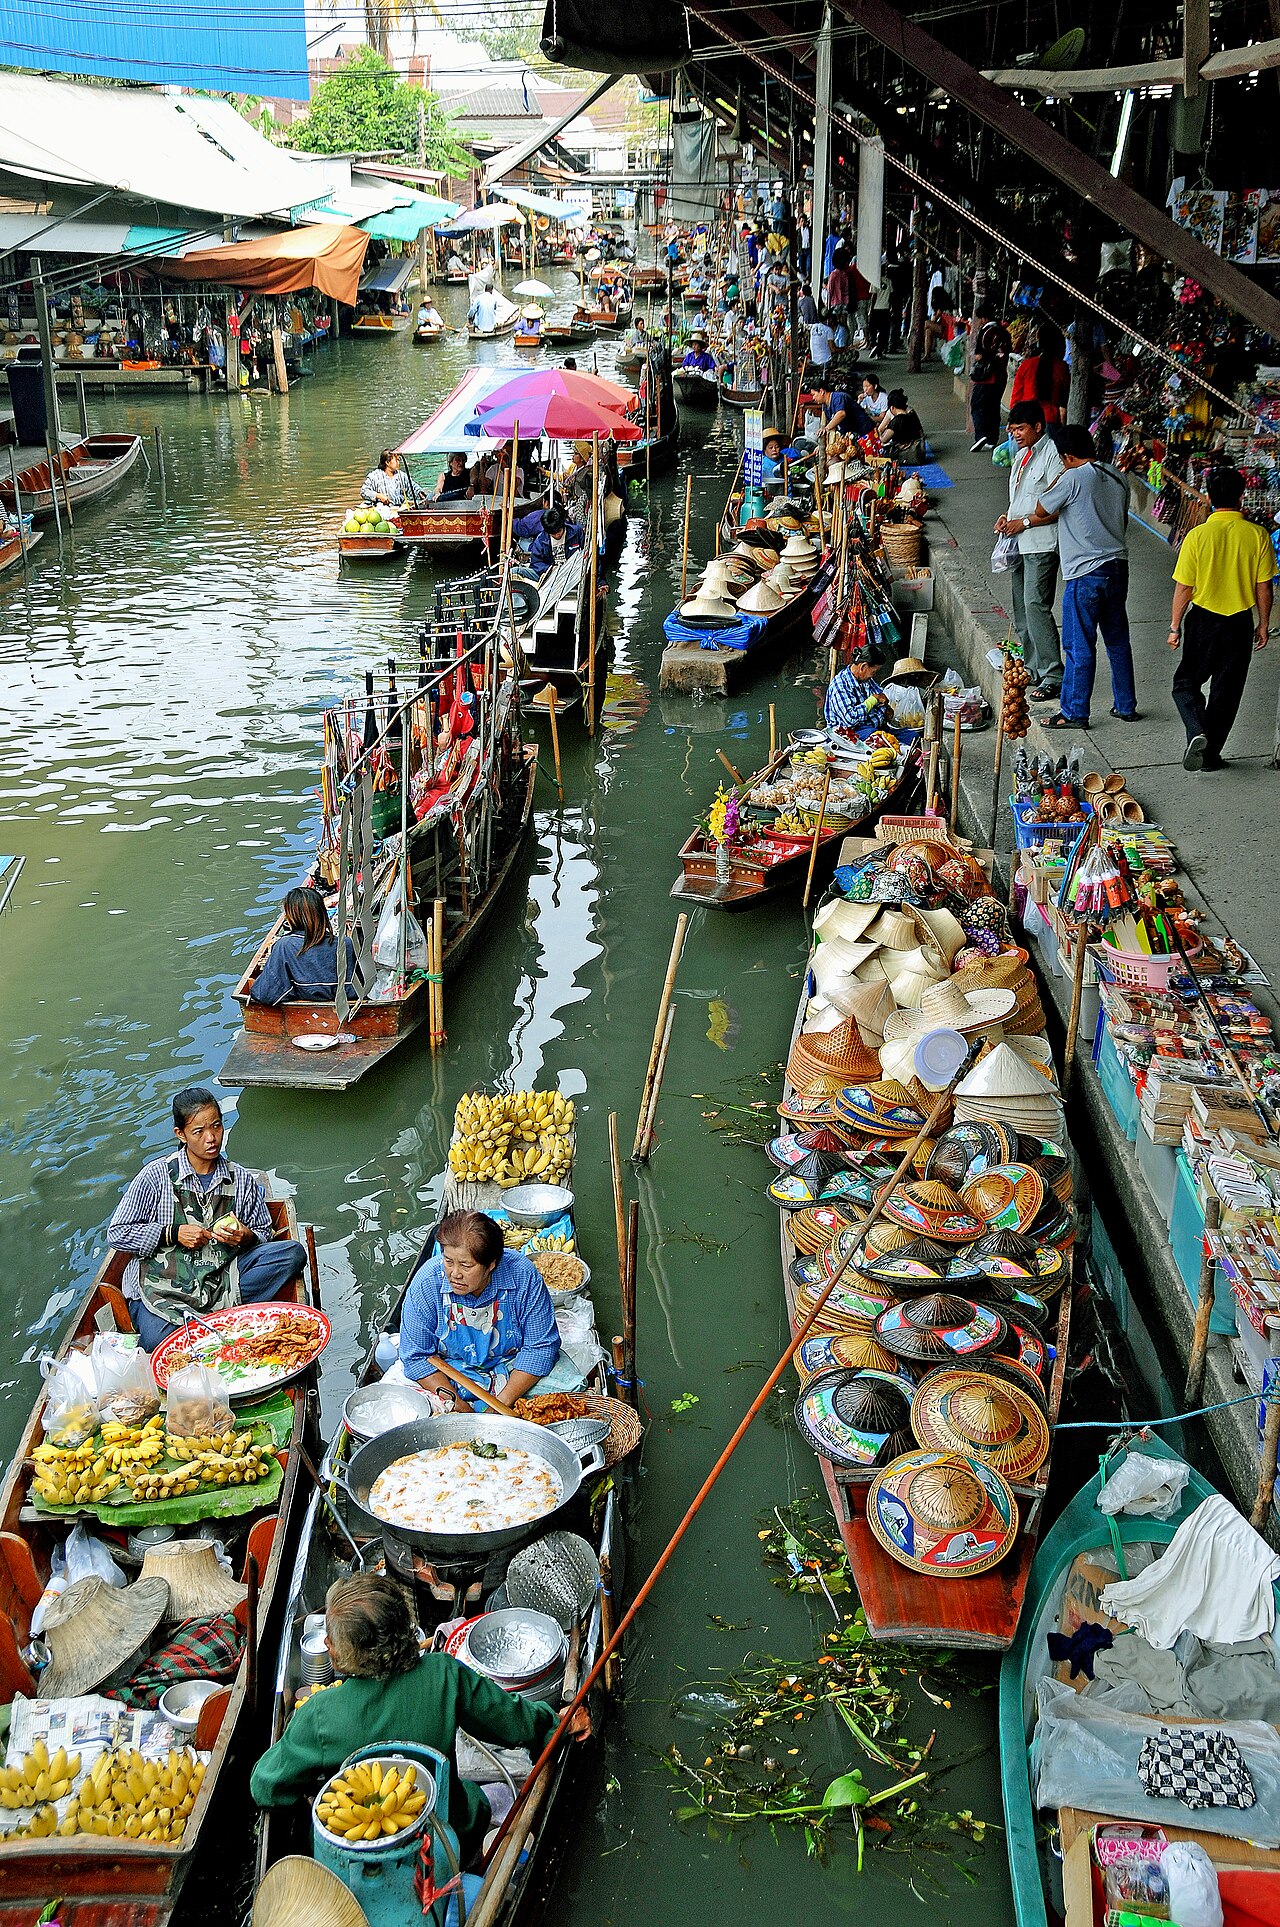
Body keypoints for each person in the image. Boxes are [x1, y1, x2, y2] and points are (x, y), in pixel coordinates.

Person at [251, 1574, 590, 1867]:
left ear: (353, 1653)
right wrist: (557, 1724)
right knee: (479, 1803)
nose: (327, 1644)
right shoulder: (444, 1673)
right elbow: (517, 1722)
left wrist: (313, 1797)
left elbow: (266, 1787)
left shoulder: (318, 1714)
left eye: (333, 1639)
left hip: (361, 1851)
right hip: (448, 1832)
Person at [107, 1088, 308, 1351]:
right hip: (163, 1284)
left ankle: (208, 1322)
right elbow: (118, 1233)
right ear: (181, 1134)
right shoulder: (156, 1176)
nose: (211, 1138)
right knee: (159, 1343)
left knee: (291, 1253)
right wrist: (173, 1233)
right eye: (199, 1132)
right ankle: (227, 1322)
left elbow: (263, 1232)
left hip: (221, 1275)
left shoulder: (241, 1179)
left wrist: (245, 1236)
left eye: (216, 1126)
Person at [1025, 422, 1138, 728]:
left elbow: (1040, 508)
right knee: (1117, 640)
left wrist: (1060, 478)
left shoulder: (1073, 477)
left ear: (1067, 456)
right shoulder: (1117, 476)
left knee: (1078, 646)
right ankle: (1126, 705)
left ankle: (1074, 712)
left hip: (1085, 572)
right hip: (1117, 566)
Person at [1168, 466, 1275, 770]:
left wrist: (1174, 627)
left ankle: (1196, 730)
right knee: (1226, 692)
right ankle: (1210, 756)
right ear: (1242, 497)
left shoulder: (1197, 536)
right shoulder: (1257, 535)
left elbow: (1184, 587)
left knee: (1185, 683)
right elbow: (1263, 587)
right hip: (1239, 623)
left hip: (1202, 620)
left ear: (1209, 498)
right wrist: (1263, 623)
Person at [399, 1209, 561, 1408]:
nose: (454, 1274)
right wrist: (461, 1409)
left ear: (491, 1264)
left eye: (466, 1266)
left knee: (565, 1393)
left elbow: (540, 1347)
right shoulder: (427, 1282)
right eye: (448, 1261)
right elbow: (417, 1357)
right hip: (451, 1372)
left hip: (513, 1367)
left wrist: (499, 1407)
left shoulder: (523, 1275)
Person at [995, 401, 1064, 702]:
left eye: (1020, 429)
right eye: (1012, 430)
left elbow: (1056, 506)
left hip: (1041, 543)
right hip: (1018, 543)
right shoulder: (1021, 455)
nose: (1016, 435)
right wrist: (1006, 518)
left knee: (1036, 606)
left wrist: (1022, 522)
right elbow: (1019, 499)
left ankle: (1053, 674)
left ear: (1037, 426)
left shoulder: (1053, 457)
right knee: (1021, 609)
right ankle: (1033, 666)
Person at [250, 888, 356, 1008]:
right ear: (322, 913)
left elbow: (264, 994)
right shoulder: (346, 943)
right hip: (347, 1010)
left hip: (304, 1014)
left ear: (292, 917)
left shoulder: (285, 946)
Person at [1009, 320, 1070, 429]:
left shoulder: (1026, 365)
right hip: (1051, 420)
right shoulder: (1061, 367)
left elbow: (1016, 398)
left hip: (1026, 420)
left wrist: (1012, 421)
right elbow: (1063, 402)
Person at [968, 310, 1012, 451]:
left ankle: (981, 434)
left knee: (977, 405)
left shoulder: (986, 331)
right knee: (993, 407)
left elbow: (980, 356)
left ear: (984, 317)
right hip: (1001, 376)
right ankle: (993, 438)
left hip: (986, 377)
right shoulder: (1004, 331)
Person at [527, 504, 585, 575]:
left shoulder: (576, 532)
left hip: (575, 573)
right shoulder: (541, 540)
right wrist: (550, 568)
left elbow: (586, 553)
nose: (557, 535)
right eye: (553, 534)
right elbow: (535, 563)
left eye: (559, 531)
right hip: (552, 575)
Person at [877, 390, 926, 460]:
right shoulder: (911, 415)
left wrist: (883, 431)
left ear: (892, 407)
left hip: (905, 454)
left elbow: (884, 440)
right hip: (918, 452)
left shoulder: (897, 421)